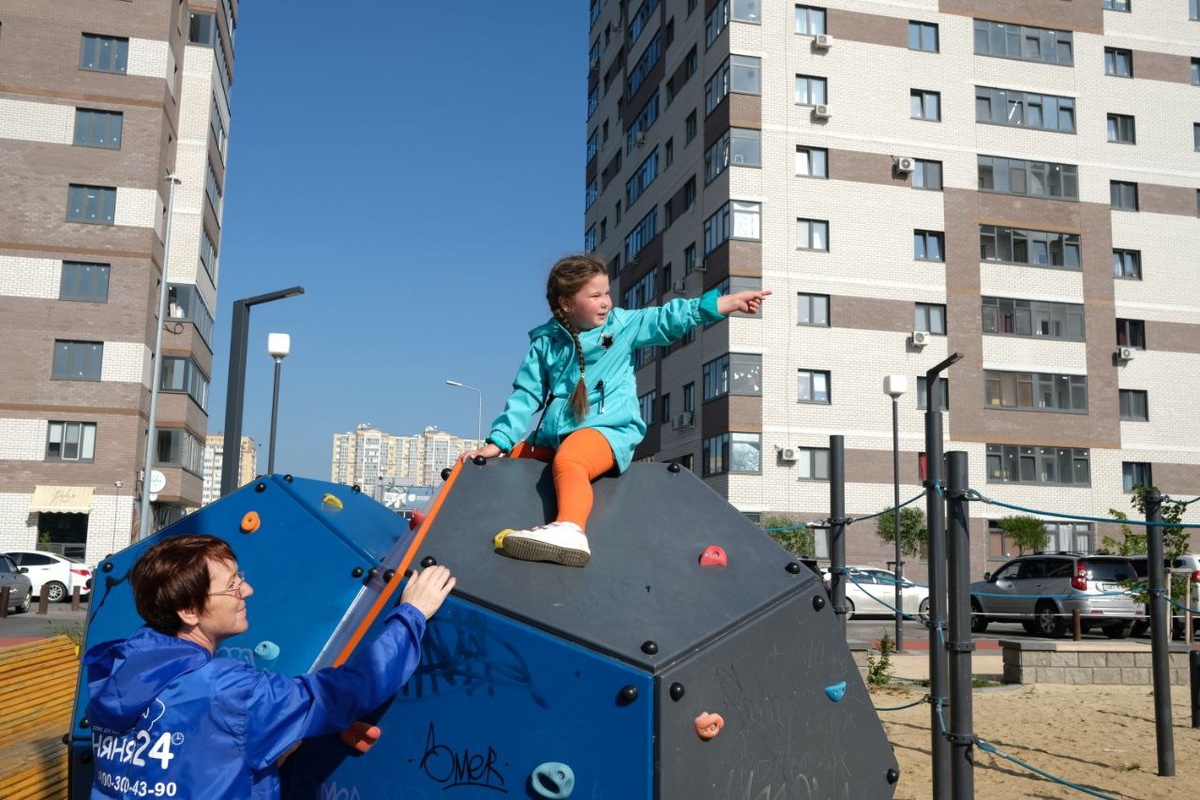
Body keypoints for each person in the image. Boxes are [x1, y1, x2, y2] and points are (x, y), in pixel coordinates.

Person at [83, 534, 455, 799]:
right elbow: (352, 690)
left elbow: (188, 763)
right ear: (189, 610)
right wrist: (412, 614)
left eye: (241, 578)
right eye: (232, 586)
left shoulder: (115, 671)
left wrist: (264, 747)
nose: (246, 591)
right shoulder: (229, 693)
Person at [462, 253, 770, 567]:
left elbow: (668, 317)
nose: (606, 302)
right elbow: (526, 395)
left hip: (608, 430)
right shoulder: (546, 343)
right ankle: (470, 523)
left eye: (607, 293)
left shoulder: (621, 326)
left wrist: (726, 303)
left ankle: (570, 529)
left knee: (571, 459)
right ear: (567, 303)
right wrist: (498, 442)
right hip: (558, 435)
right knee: (512, 458)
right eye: (595, 296)